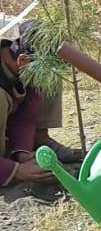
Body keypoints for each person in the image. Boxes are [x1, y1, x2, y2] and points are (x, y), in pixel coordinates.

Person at [1, 32, 55, 187]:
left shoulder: (21, 67)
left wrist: (21, 153)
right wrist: (14, 170)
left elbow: (24, 116)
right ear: (23, 60)